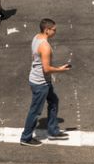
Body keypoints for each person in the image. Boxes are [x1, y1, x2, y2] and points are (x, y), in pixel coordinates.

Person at [20, 18, 72, 146]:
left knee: (54, 101)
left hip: (39, 80)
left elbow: (35, 58)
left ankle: (53, 130)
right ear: (47, 30)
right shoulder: (45, 46)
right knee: (35, 111)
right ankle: (25, 138)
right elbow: (47, 69)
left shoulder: (36, 37)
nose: (55, 31)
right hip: (40, 83)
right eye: (54, 29)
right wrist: (60, 70)